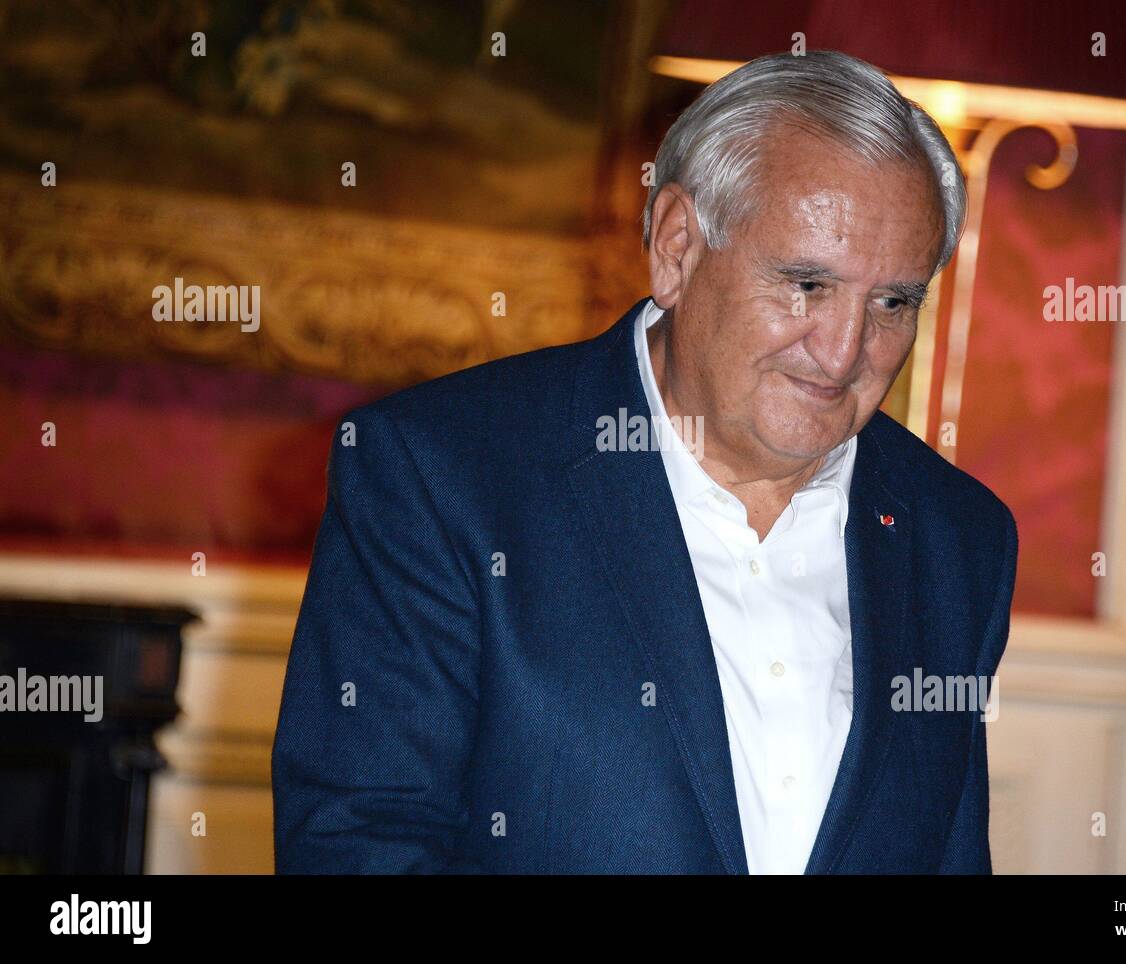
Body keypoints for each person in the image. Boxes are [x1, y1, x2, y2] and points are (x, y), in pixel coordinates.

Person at [272, 49, 1017, 874]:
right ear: (676, 248)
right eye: (806, 284)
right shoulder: (441, 475)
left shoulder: (960, 536)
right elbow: (359, 850)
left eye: (892, 302)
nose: (844, 352)